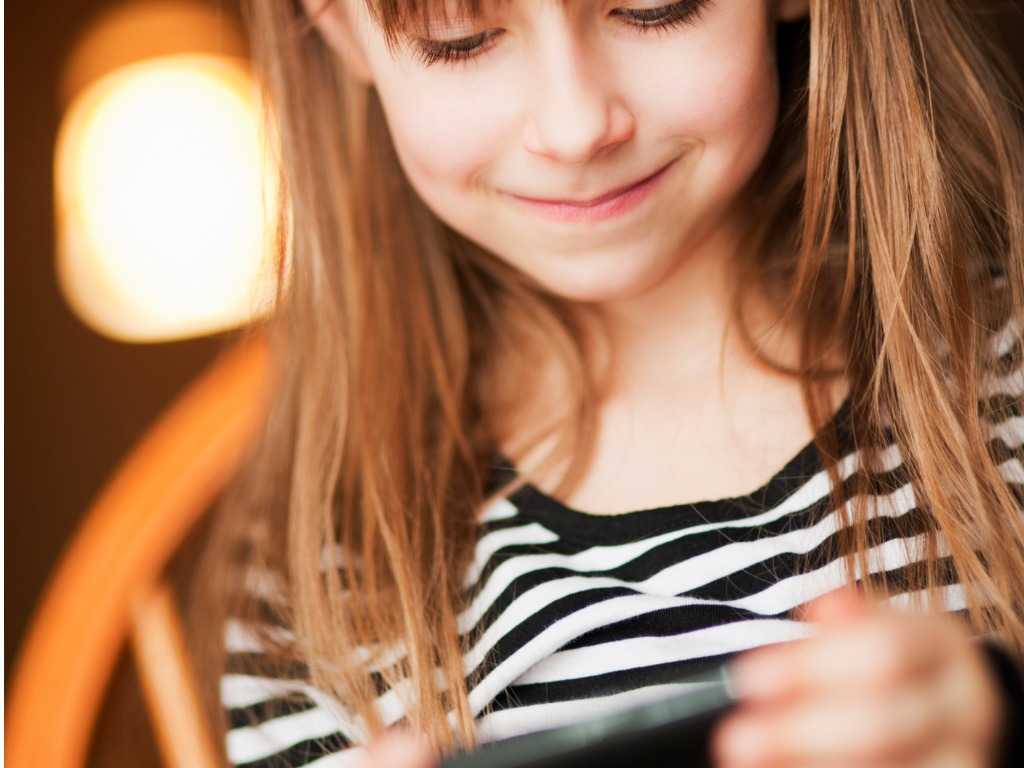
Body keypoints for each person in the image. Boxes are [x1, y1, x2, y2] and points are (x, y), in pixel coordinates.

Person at [192, 0, 1024, 766]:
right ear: (337, 27)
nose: (577, 124)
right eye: (460, 32)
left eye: (655, 3)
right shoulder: (321, 598)